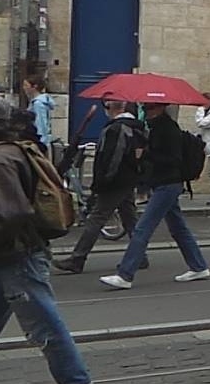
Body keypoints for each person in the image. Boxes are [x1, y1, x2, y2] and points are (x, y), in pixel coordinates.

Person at [0, 97, 101, 384]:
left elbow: (9, 215)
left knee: (44, 325)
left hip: (17, 255)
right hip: (15, 253)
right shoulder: (19, 149)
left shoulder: (1, 159)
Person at [99, 102, 210, 290]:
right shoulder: (153, 127)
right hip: (162, 183)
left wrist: (146, 154)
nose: (147, 111)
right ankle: (199, 266)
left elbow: (173, 160)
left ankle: (125, 274)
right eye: (146, 108)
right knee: (178, 229)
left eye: (151, 108)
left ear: (160, 108)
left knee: (143, 228)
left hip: (168, 184)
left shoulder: (168, 129)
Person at [53, 99, 146, 274]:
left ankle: (77, 258)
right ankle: (139, 255)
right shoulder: (134, 126)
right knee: (129, 217)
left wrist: (102, 182)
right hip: (128, 178)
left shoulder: (117, 128)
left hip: (115, 181)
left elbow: (113, 159)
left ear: (111, 108)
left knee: (96, 218)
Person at [23, 77, 56, 148]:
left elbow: (41, 123)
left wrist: (40, 142)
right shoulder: (37, 102)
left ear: (34, 87)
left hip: (39, 141)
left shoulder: (38, 104)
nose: (24, 88)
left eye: (26, 85)